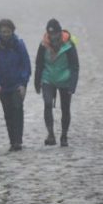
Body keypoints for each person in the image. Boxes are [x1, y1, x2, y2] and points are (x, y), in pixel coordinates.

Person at [0, 18, 32, 152]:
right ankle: (12, 140)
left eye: (8, 31)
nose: (6, 34)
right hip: (3, 85)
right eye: (3, 31)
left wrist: (23, 83)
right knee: (8, 113)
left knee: (17, 109)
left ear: (12, 31)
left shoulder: (19, 44)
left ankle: (18, 140)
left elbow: (26, 64)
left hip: (17, 84)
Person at [34, 18, 80, 146]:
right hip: (48, 78)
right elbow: (39, 64)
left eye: (55, 33)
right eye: (50, 34)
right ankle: (50, 134)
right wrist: (37, 83)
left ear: (60, 32)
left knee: (65, 108)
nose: (53, 37)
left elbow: (75, 66)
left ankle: (64, 135)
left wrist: (72, 85)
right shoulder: (43, 45)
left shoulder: (69, 45)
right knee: (47, 104)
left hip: (65, 80)